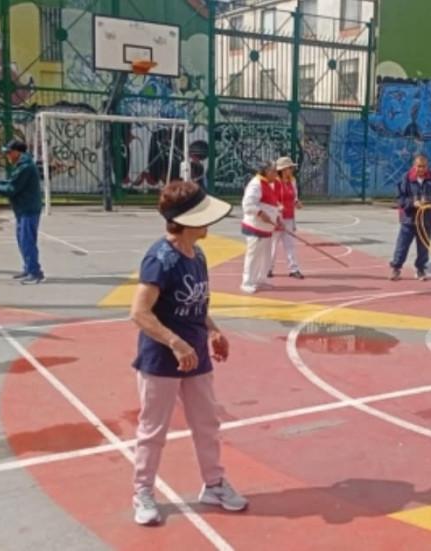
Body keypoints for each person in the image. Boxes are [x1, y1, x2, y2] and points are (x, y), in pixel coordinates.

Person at [129, 180, 247, 526]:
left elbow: (196, 304)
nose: (209, 222)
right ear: (186, 219)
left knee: (207, 423)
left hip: (197, 357)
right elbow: (139, 313)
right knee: (153, 430)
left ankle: (213, 484)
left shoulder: (198, 254)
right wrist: (175, 342)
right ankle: (143, 491)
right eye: (203, 216)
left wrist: (213, 330)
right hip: (161, 360)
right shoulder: (160, 259)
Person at [0, 140, 44, 284]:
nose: (7, 156)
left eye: (9, 152)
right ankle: (29, 268)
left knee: (27, 241)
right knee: (22, 240)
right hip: (22, 210)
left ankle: (35, 273)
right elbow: (11, 182)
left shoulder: (25, 167)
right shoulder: (22, 166)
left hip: (28, 210)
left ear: (18, 152)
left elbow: (12, 189)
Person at [390, 154, 431, 281]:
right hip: (409, 219)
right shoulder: (407, 178)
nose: (421, 169)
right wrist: (412, 203)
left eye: (424, 166)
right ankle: (396, 268)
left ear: (427, 166)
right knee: (402, 245)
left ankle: (421, 269)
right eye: (419, 166)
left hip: (426, 219)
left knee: (424, 246)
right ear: (414, 166)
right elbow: (400, 199)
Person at [239, 162, 281, 294]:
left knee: (265, 255)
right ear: (267, 171)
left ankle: (261, 280)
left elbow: (273, 203)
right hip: (256, 226)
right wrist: (260, 213)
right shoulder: (256, 184)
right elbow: (248, 204)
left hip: (267, 228)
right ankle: (247, 282)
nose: (276, 174)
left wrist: (277, 217)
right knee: (254, 255)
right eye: (274, 171)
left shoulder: (268, 184)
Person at [268, 156, 304, 280]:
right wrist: (278, 212)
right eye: (290, 168)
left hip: (289, 217)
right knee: (273, 244)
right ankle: (268, 268)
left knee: (290, 244)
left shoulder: (292, 181)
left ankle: (294, 269)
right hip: (277, 218)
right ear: (283, 170)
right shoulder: (274, 182)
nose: (292, 170)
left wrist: (297, 202)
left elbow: (294, 196)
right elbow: (272, 199)